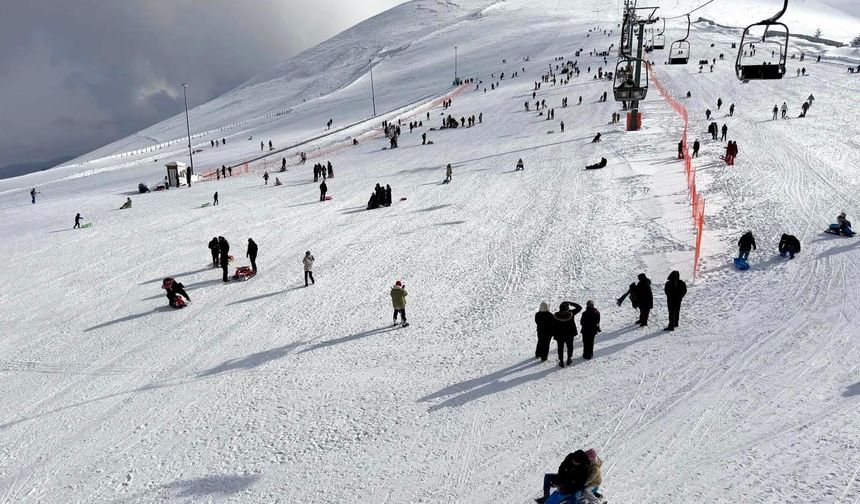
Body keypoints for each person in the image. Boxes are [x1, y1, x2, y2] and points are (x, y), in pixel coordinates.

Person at [553, 301, 582, 367]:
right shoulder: (571, 313)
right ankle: (569, 359)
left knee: (560, 348)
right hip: (570, 334)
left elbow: (553, 325)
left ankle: (561, 361)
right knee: (570, 346)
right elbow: (579, 307)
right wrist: (571, 303)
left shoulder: (556, 315)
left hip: (559, 335)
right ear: (567, 308)